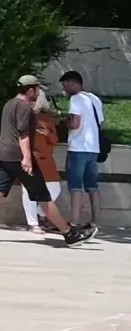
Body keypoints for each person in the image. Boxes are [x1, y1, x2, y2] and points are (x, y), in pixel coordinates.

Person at [0, 76, 94, 247]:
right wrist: (27, 158)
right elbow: (23, 134)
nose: (38, 93)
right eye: (37, 89)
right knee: (43, 196)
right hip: (18, 156)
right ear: (30, 90)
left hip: (4, 154)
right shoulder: (24, 107)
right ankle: (69, 234)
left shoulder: (9, 104)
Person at [60, 70, 105, 232]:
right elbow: (100, 122)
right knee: (92, 186)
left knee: (75, 186)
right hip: (93, 148)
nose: (64, 90)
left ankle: (73, 222)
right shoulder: (95, 99)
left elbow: (75, 124)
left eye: (65, 86)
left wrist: (64, 120)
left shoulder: (76, 99)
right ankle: (95, 222)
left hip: (78, 148)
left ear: (73, 84)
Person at [23, 89, 62, 233]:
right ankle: (33, 223)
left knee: (54, 188)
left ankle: (41, 213)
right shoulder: (25, 115)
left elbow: (54, 140)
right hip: (30, 156)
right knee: (28, 191)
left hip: (46, 158)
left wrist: (48, 133)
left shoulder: (46, 118)